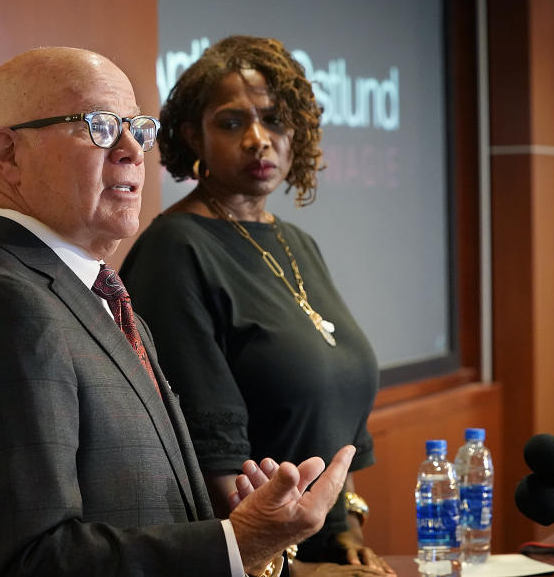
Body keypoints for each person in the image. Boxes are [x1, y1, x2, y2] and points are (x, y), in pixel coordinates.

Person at [0, 45, 356, 576]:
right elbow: (29, 561)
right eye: (97, 126)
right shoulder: (0, 306)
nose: (131, 151)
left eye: (138, 129)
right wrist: (238, 543)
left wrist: (242, 534)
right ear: (8, 155)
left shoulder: (102, 300)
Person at [120, 35, 393, 575]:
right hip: (245, 563)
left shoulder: (295, 243)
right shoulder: (175, 251)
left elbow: (332, 411)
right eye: (231, 123)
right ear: (192, 135)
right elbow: (205, 451)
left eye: (273, 121)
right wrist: (293, 571)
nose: (257, 140)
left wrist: (344, 531)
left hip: (319, 549)